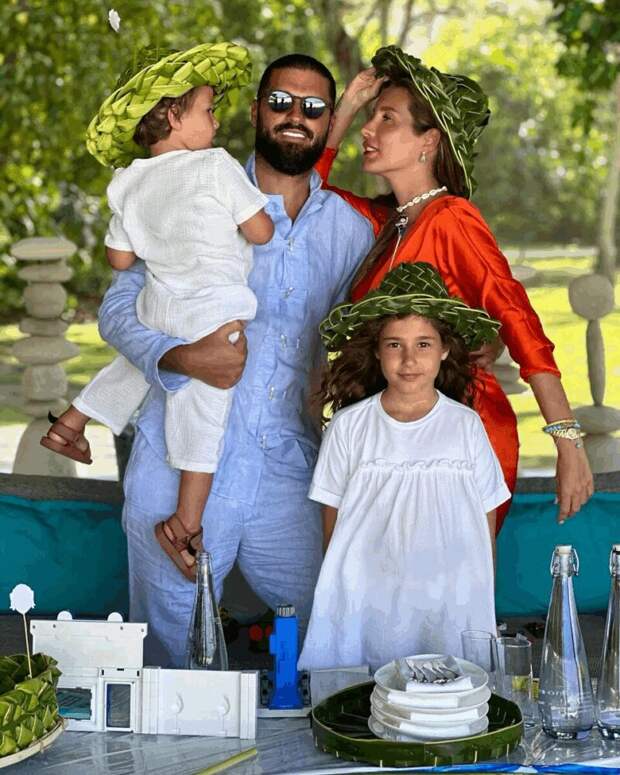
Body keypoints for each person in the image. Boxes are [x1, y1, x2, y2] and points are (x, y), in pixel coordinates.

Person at [93, 54, 375, 666]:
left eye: (313, 107)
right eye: (280, 102)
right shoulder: (188, 186)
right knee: (171, 670)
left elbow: (381, 332)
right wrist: (180, 355)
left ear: (328, 123)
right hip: (178, 467)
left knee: (338, 641)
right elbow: (116, 309)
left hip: (290, 470)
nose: (295, 116)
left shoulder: (353, 231)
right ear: (254, 111)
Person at [313, 46, 593, 532]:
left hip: (463, 432)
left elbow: (518, 319)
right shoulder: (385, 223)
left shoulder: (452, 218)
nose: (368, 130)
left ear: (429, 141)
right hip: (390, 438)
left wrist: (567, 441)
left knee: (452, 575)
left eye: (387, 119)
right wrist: (347, 108)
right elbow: (304, 200)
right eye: (371, 118)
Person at [40, 44, 274, 581]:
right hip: (214, 313)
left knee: (142, 362)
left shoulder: (129, 181)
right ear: (173, 115)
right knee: (204, 415)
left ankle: (72, 422)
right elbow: (261, 232)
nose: (216, 122)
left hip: (160, 303)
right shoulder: (215, 166)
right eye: (208, 110)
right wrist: (244, 222)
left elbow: (120, 259)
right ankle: (184, 524)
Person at [298, 262, 510, 670]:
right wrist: (343, 595)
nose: (409, 359)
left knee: (446, 691)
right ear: (377, 350)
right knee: (368, 692)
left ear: (445, 349)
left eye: (423, 344)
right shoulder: (349, 426)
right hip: (369, 598)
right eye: (395, 344)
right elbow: (332, 522)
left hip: (447, 598)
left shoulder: (465, 426)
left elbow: (486, 516)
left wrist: (479, 598)